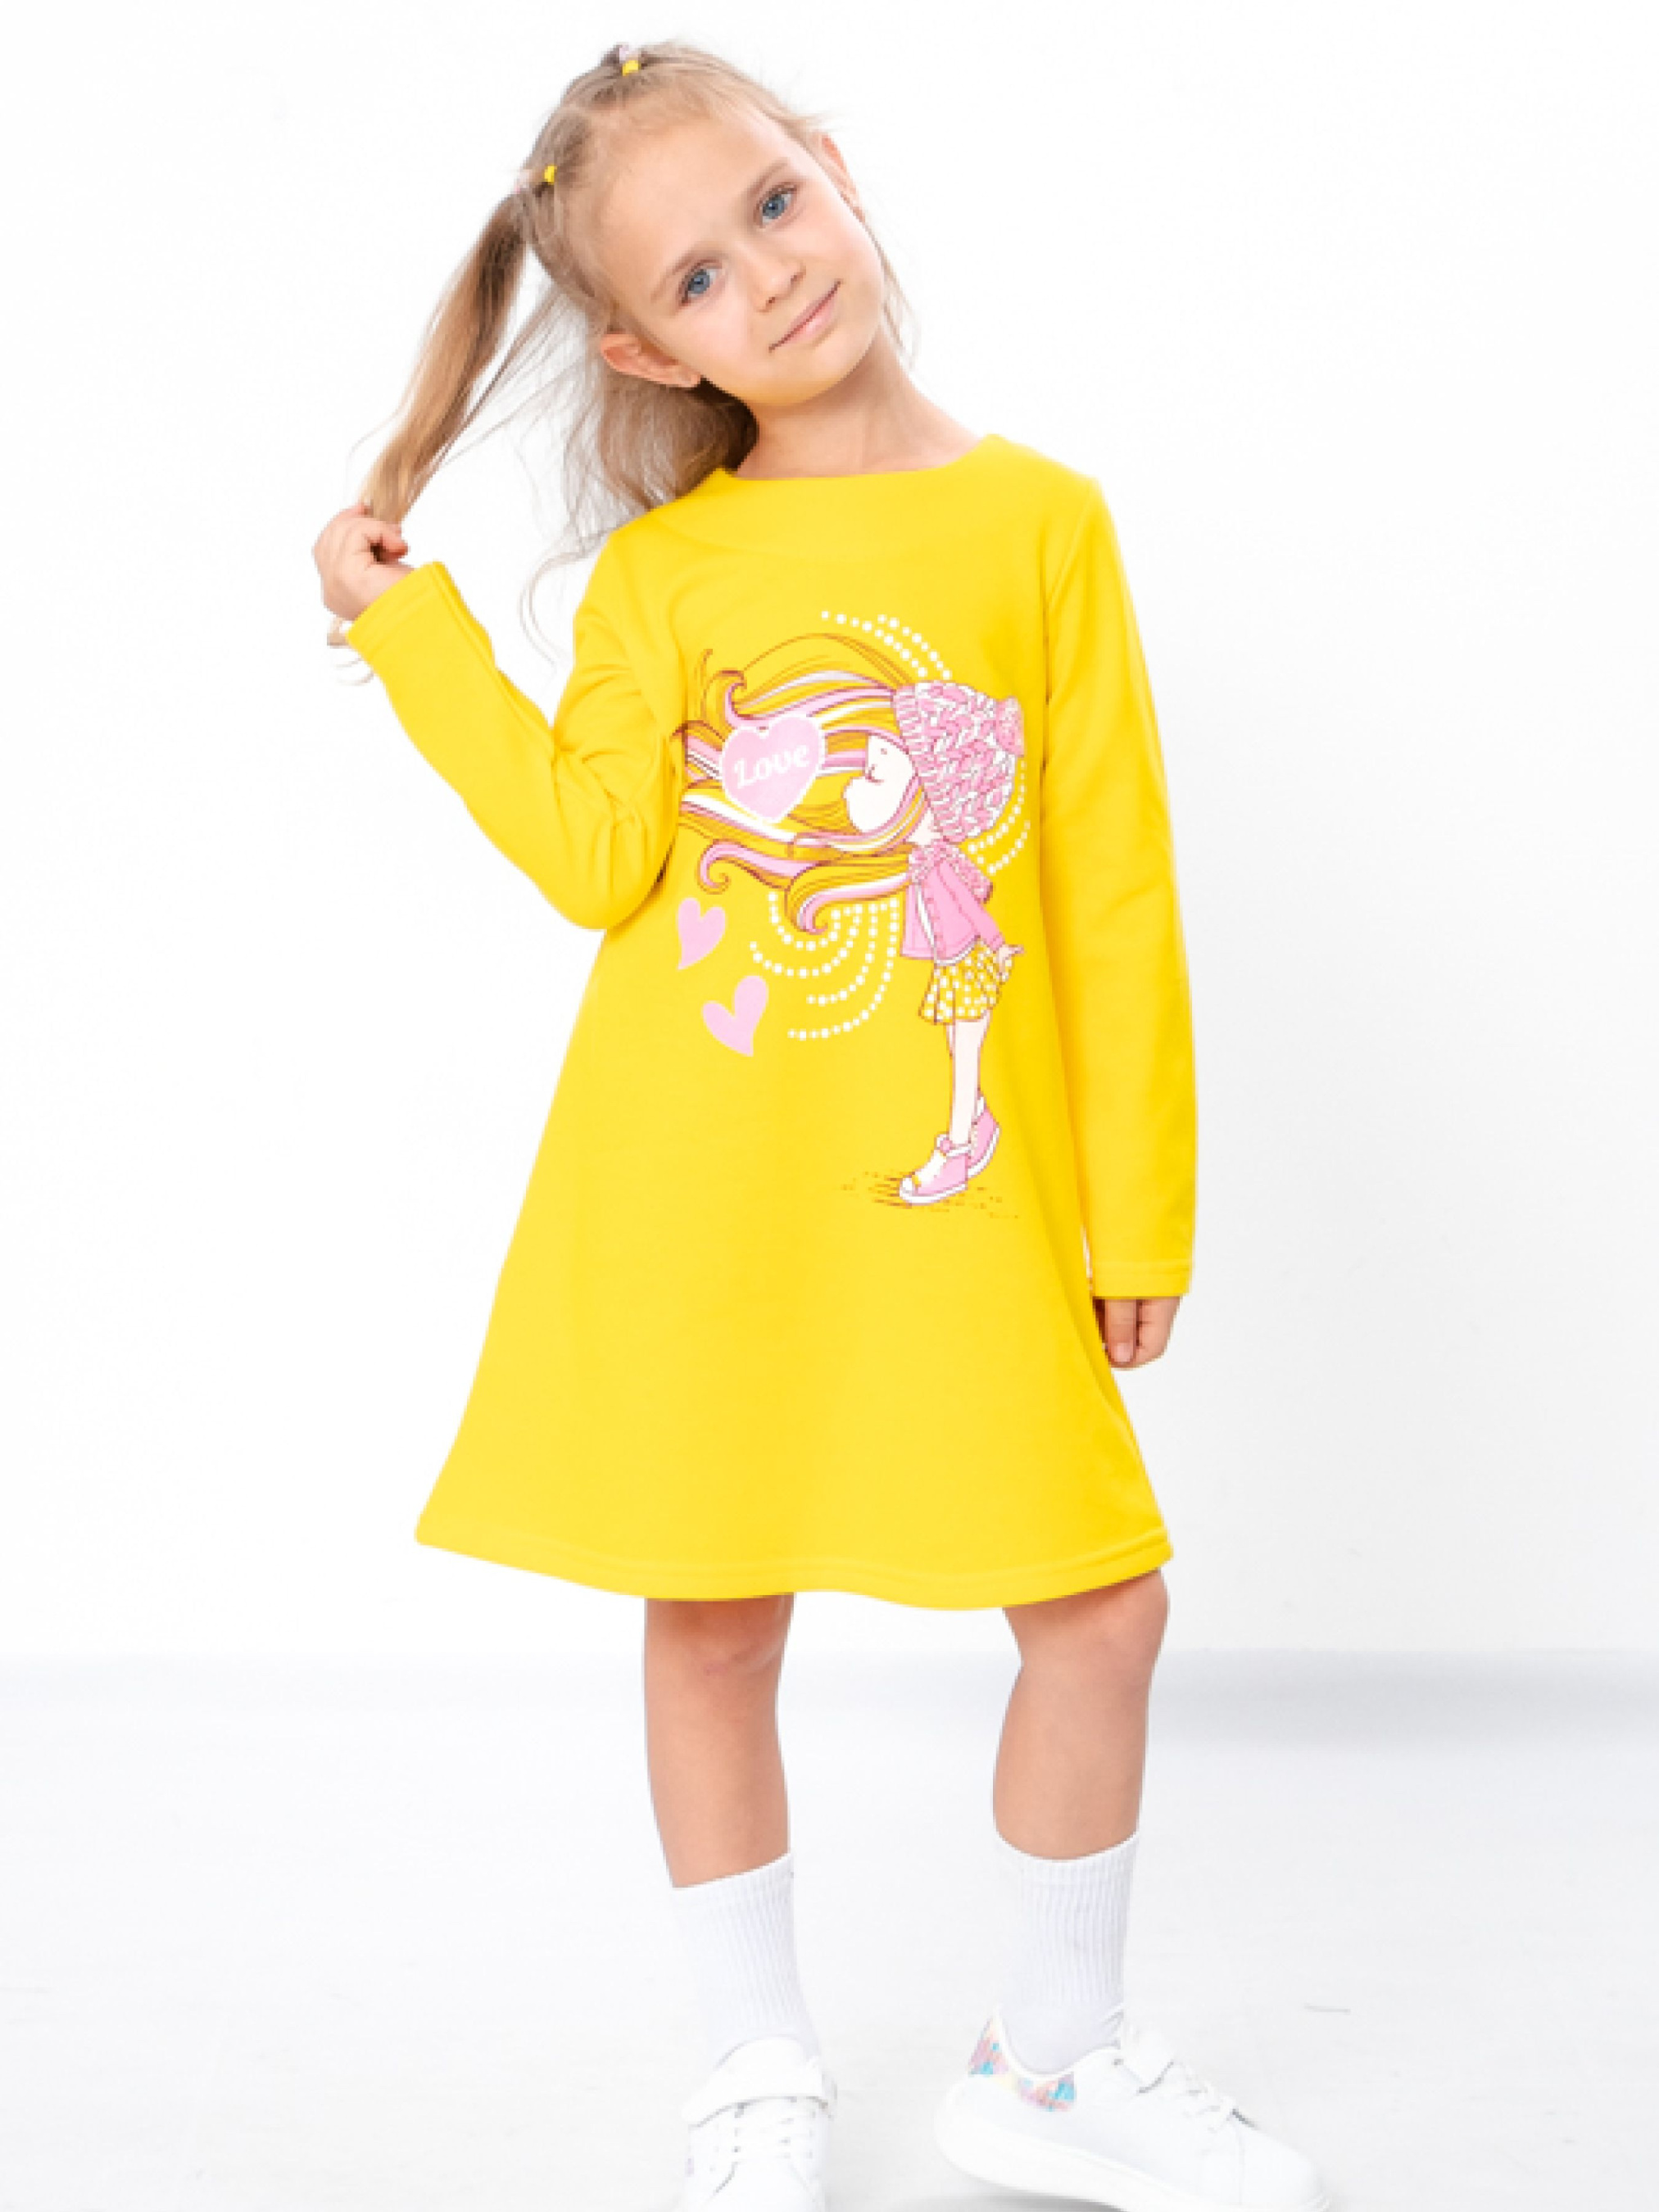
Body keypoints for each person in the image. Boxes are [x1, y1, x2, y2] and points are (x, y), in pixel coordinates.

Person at [310, 37, 1329, 2212]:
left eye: (772, 206)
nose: (765, 275)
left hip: (963, 1202)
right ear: (641, 348)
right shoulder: (664, 579)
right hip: (706, 1198)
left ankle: (1049, 2060)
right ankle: (753, 2064)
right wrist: (413, 635)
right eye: (695, 275)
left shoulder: (1041, 521)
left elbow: (1112, 887)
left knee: (1100, 1610)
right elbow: (595, 857)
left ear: (836, 173)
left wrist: (1137, 1205)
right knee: (712, 1620)